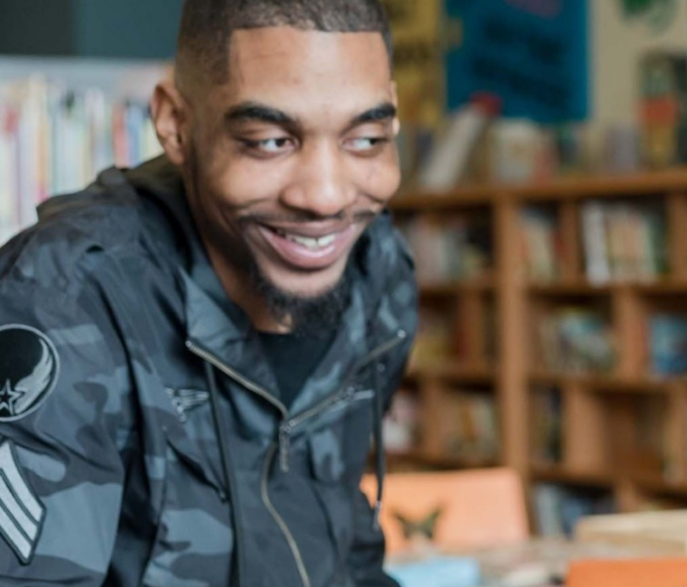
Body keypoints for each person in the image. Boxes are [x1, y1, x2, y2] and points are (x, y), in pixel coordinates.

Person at [0, 0, 416, 585]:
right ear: (176, 124)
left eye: (367, 139)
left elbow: (345, 550)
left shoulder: (380, 274)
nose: (326, 197)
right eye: (270, 141)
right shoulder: (63, 301)